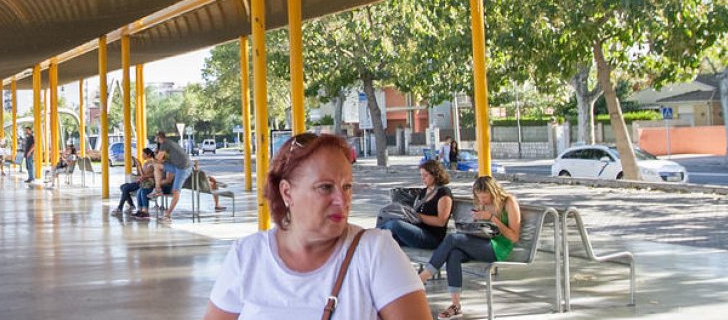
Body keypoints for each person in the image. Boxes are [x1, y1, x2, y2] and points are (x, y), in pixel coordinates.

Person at [205, 132, 430, 319]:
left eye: (347, 186)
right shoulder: (247, 256)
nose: (342, 201)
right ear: (287, 192)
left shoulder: (375, 252)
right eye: (325, 187)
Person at [419, 176, 521, 319]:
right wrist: (474, 227)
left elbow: (514, 237)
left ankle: (423, 277)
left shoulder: (509, 202)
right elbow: (485, 229)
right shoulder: (481, 203)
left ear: (494, 192)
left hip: (498, 248)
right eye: (479, 198)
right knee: (454, 253)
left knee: (453, 238)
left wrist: (492, 218)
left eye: (485, 197)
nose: (482, 201)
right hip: (482, 242)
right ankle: (456, 306)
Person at [379, 160, 453, 250]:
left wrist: (418, 216)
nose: (423, 178)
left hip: (432, 238)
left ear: (435, 175)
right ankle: (373, 240)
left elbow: (441, 222)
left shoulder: (443, 192)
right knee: (387, 231)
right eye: (421, 175)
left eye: (426, 175)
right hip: (416, 230)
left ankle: (373, 237)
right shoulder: (424, 191)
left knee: (395, 225)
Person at [112, 147, 158, 216]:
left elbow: (143, 176)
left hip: (145, 183)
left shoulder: (151, 163)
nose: (142, 155)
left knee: (125, 188)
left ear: (148, 154)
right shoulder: (146, 163)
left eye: (143, 154)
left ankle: (120, 207)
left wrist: (139, 165)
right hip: (142, 182)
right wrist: (138, 166)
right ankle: (131, 205)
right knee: (123, 186)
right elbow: (140, 174)